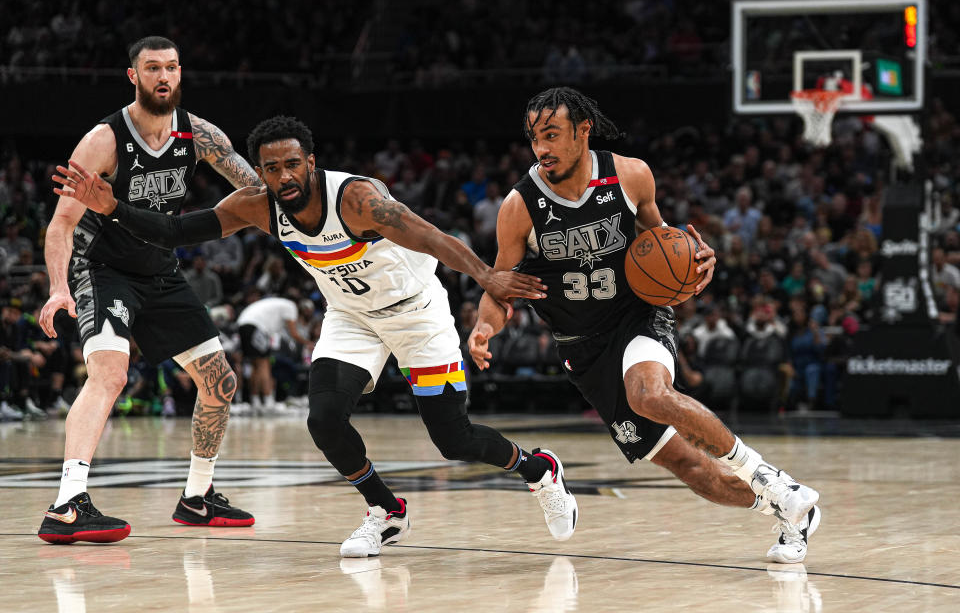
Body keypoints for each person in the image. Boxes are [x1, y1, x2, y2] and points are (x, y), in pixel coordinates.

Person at [53, 115, 578, 558]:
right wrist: (111, 207)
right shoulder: (256, 205)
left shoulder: (358, 200)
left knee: (453, 440)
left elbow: (435, 237)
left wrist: (486, 276)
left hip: (416, 313)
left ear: (311, 161)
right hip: (351, 316)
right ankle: (386, 510)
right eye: (272, 167)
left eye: (292, 163)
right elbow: (174, 232)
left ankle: (538, 468)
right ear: (259, 171)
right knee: (324, 419)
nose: (284, 176)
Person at [467, 87, 821, 564]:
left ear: (583, 130)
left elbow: (664, 245)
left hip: (638, 317)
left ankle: (767, 476)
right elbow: (499, 288)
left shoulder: (630, 175)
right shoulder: (520, 206)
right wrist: (485, 328)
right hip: (583, 350)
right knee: (693, 469)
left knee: (648, 394)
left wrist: (698, 262)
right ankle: (784, 509)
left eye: (551, 134)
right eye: (534, 138)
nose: (542, 148)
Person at [37, 36, 258, 544]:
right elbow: (61, 224)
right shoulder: (104, 140)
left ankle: (197, 499)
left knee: (220, 382)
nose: (165, 76)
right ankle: (67, 504)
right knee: (110, 374)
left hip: (160, 270)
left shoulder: (199, 135)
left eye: (173, 67)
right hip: (104, 268)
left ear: (181, 75)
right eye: (153, 68)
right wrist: (56, 287)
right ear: (133, 76)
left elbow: (253, 192)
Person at [235, 295, 313, 413]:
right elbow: (294, 333)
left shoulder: (278, 305)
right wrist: (309, 343)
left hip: (244, 324)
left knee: (255, 365)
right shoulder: (291, 306)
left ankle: (255, 401)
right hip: (256, 326)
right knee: (264, 363)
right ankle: (268, 402)